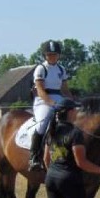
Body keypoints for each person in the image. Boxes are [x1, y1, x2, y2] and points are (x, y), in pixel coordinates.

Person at [30, 39, 73, 171]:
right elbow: (41, 91)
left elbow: (65, 90)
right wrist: (52, 103)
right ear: (45, 55)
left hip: (59, 99)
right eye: (49, 54)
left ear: (59, 55)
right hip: (43, 102)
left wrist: (73, 102)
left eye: (55, 54)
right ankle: (34, 157)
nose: (52, 57)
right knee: (42, 124)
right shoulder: (41, 69)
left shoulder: (61, 69)